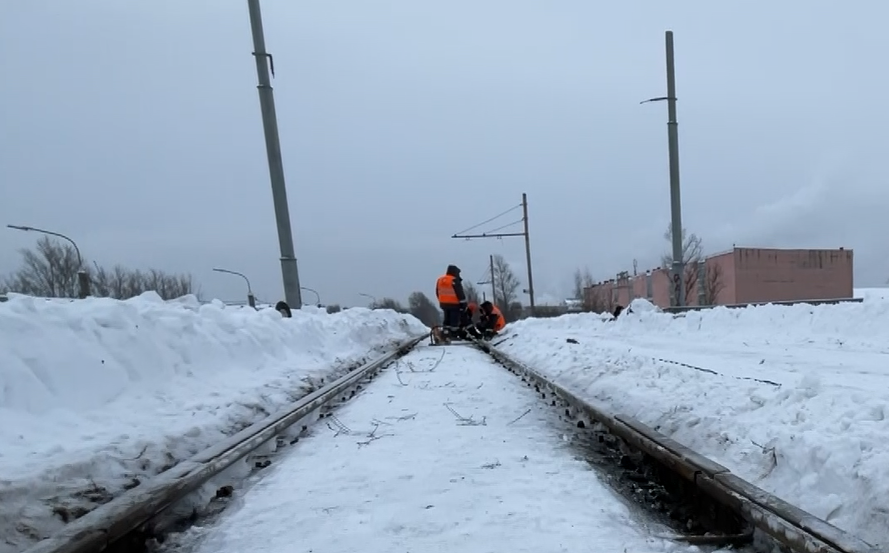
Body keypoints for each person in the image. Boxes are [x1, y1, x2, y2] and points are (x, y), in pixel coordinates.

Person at [435, 265, 467, 331]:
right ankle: (454, 333)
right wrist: (463, 305)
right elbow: (460, 293)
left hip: (443, 304)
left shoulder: (440, 280)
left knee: (447, 319)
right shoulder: (454, 280)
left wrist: (441, 300)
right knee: (454, 321)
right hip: (454, 304)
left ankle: (446, 332)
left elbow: (437, 292)